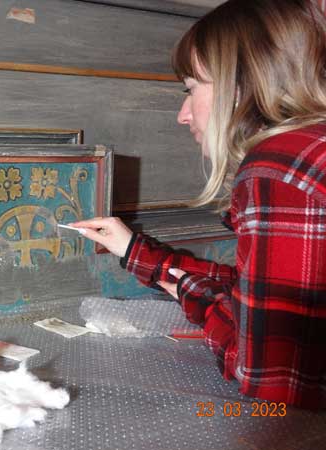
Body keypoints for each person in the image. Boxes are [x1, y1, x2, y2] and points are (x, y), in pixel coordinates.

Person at [71, 0, 326, 410]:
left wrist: (197, 300)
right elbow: (265, 292)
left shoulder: (278, 170)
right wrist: (135, 251)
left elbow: (269, 382)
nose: (183, 115)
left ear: (240, 86)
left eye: (191, 90)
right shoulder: (311, 148)